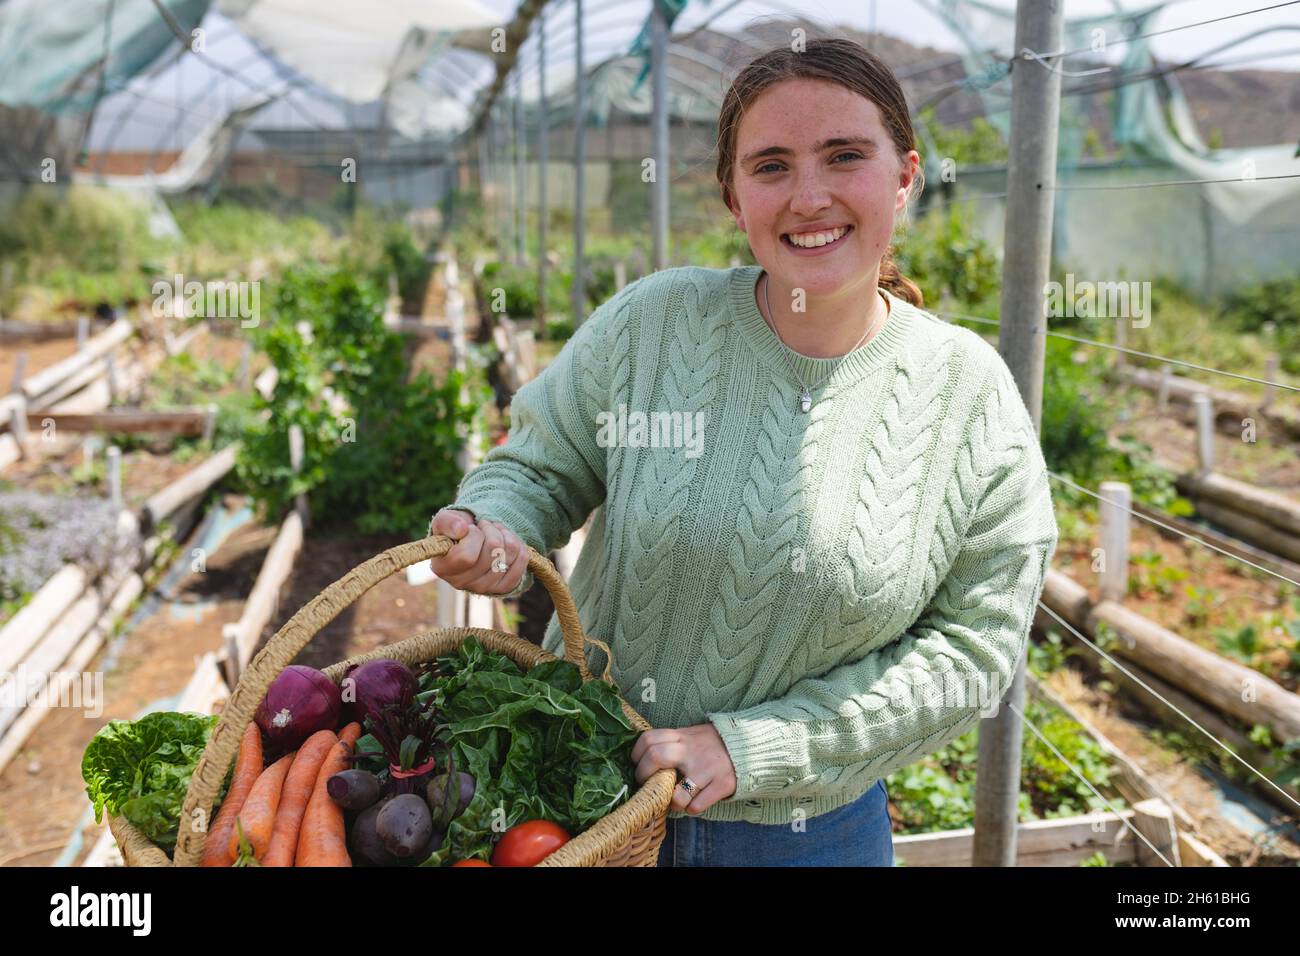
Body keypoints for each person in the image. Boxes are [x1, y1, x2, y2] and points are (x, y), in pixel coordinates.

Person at [427, 36, 1059, 867]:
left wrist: (754, 747)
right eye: (770, 166)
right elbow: (538, 467)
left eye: (844, 156)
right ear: (733, 196)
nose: (809, 196)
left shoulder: (966, 396)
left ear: (904, 177)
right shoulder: (654, 325)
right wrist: (497, 526)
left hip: (808, 837)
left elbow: (974, 650)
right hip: (576, 799)